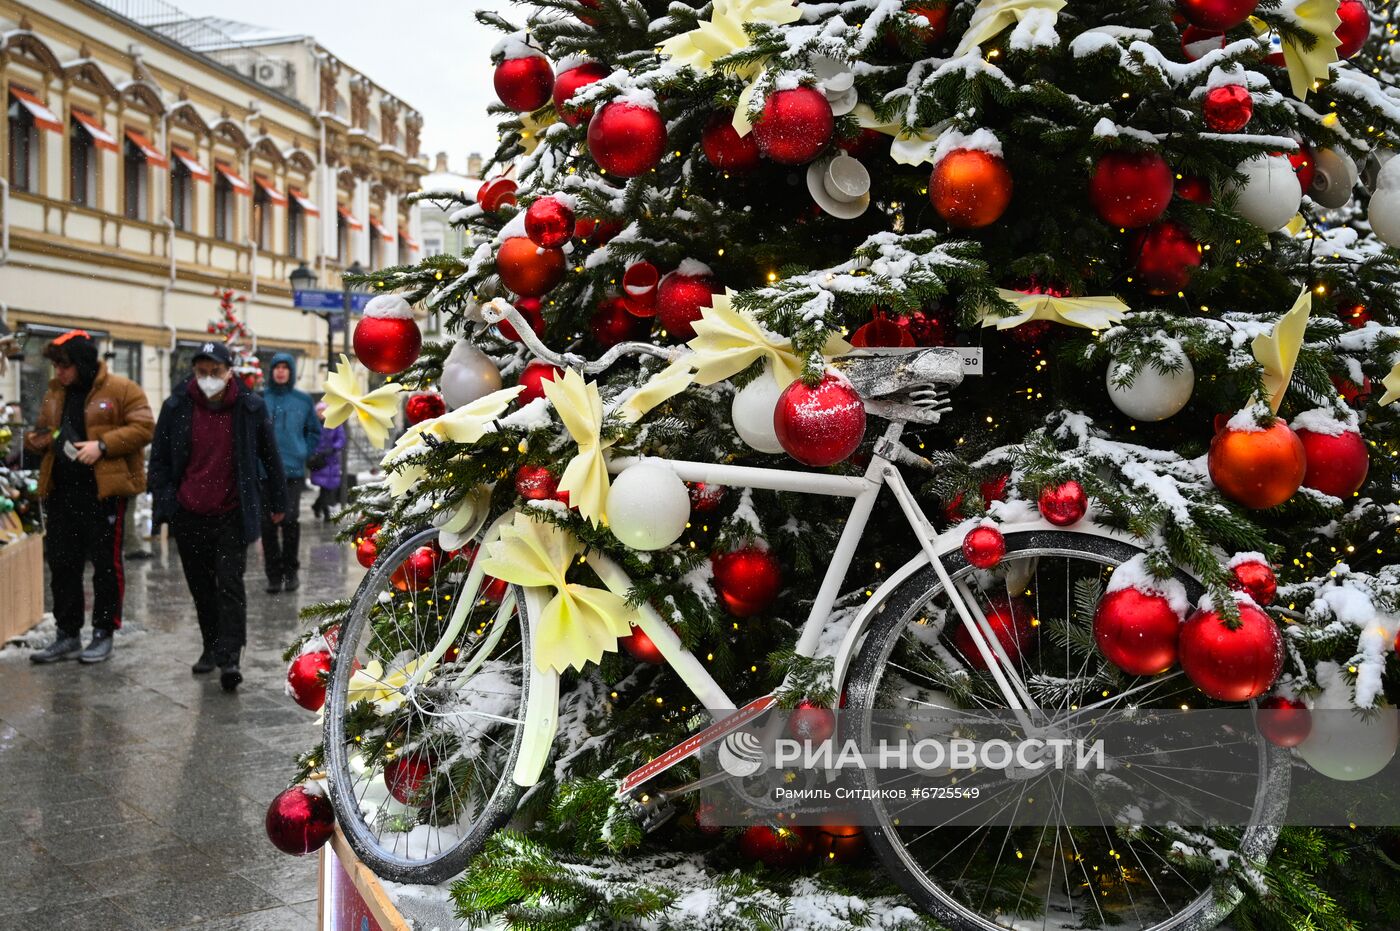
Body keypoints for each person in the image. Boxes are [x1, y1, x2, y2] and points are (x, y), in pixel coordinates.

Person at [147, 341, 286, 691]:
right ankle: (210, 646)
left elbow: (270, 457)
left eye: (216, 372)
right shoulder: (177, 406)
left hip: (231, 513)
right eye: (202, 372)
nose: (209, 378)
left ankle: (230, 657)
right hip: (189, 512)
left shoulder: (249, 408)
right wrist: (167, 500)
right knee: (201, 587)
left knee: (230, 585)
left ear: (229, 372)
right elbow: (160, 459)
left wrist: (278, 502)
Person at [25, 330, 154, 664]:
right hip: (62, 490)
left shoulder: (122, 389)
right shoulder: (56, 393)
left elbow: (144, 428)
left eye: (64, 366)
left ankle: (103, 632)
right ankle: (67, 633)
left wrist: (103, 445)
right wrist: (42, 439)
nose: (59, 373)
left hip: (103, 492)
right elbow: (42, 430)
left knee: (105, 566)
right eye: (55, 366)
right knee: (62, 563)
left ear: (81, 363)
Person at [261, 353, 320, 593]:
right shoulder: (260, 399)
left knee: (290, 520)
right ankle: (273, 575)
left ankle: (291, 572)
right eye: (277, 367)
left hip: (293, 470)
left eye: (286, 367)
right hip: (264, 472)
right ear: (271, 371)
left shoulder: (303, 401)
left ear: (291, 371)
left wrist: (303, 451)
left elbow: (314, 431)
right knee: (267, 525)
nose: (281, 371)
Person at [309, 401, 346, 522]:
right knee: (324, 487)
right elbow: (310, 440)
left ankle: (317, 506)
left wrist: (333, 448)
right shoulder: (313, 424)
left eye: (323, 410)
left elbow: (341, 439)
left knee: (327, 488)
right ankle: (326, 513)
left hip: (332, 461)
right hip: (319, 461)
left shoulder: (334, 423)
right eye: (319, 411)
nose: (321, 413)